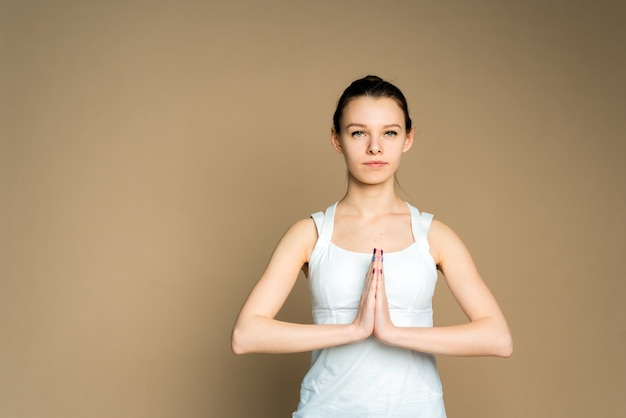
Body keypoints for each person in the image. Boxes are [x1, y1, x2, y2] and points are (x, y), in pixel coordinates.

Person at [231, 75, 513, 417]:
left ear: (407, 139)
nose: (375, 147)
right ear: (337, 140)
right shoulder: (309, 234)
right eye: (358, 132)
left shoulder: (435, 235)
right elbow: (246, 335)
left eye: (389, 133)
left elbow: (497, 338)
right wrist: (353, 330)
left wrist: (393, 333)